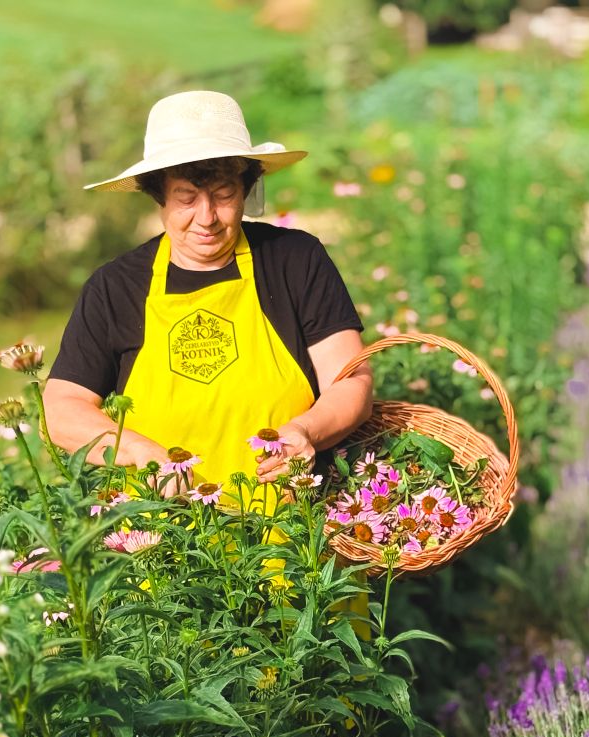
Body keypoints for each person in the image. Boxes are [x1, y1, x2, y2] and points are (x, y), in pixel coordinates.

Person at [43, 90, 373, 494]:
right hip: (167, 540)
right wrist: (137, 451)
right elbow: (62, 408)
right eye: (186, 198)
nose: (207, 218)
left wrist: (305, 432)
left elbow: (352, 380)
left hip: (293, 535)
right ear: (158, 195)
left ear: (246, 189)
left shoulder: (293, 260)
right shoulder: (116, 287)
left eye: (223, 195)